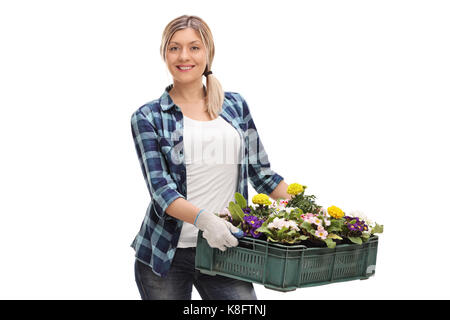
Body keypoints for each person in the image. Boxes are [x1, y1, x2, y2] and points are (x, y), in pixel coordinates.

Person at [130, 15, 292, 300]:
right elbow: (162, 191)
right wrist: (206, 221)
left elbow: (261, 173)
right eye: (174, 48)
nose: (184, 56)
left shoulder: (234, 106)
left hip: (226, 250)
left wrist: (308, 210)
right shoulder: (148, 117)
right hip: (166, 255)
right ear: (164, 54)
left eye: (194, 47)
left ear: (208, 53)